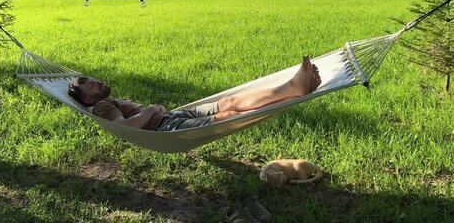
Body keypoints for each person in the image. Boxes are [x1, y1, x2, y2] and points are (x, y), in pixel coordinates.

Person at [67, 56, 321, 131]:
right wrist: (150, 110)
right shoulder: (102, 107)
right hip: (163, 129)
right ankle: (293, 92)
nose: (99, 83)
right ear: (88, 99)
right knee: (227, 115)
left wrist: (154, 109)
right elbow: (127, 128)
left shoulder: (107, 100)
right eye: (92, 86)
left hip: (170, 116)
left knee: (227, 103)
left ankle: (291, 89)